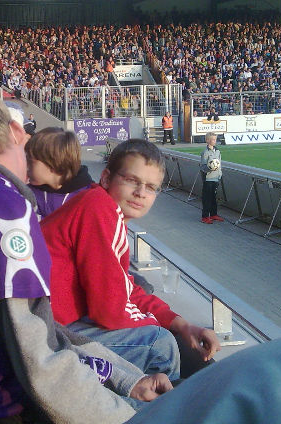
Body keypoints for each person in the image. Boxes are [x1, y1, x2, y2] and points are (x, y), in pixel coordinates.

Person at [0, 88, 172, 424]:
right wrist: (127, 416)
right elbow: (40, 359)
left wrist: (126, 379)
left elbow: (43, 332)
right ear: (16, 132)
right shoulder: (1, 210)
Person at [41, 139, 220, 379]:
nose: (141, 193)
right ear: (106, 178)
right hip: (47, 336)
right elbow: (109, 311)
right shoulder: (98, 208)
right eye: (132, 181)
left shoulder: (100, 207)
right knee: (160, 344)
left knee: (168, 336)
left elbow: (126, 289)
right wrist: (159, 325)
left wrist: (181, 324)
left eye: (151, 187)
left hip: (51, 324)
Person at [26, 127, 93, 219]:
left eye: (30, 162)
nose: (26, 166)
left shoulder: (88, 196)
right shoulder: (28, 194)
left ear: (53, 165)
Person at [200, 132, 223, 224]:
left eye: (215, 139)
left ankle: (213, 214)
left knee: (214, 197)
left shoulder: (217, 151)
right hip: (208, 179)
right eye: (213, 139)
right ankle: (205, 217)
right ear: (207, 141)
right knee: (207, 198)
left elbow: (219, 164)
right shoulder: (205, 153)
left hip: (216, 178)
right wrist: (210, 168)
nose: (214, 141)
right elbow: (203, 167)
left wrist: (219, 174)